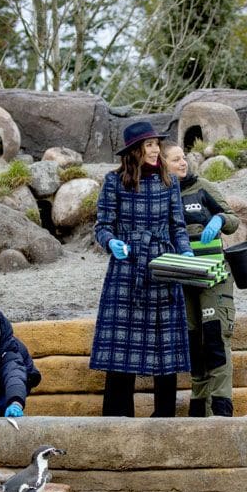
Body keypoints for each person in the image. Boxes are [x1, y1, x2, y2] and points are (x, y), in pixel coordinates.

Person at [90, 121, 194, 417]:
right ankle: (117, 419)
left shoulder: (169, 181)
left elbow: (178, 226)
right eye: (148, 145)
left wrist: (184, 252)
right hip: (126, 270)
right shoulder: (113, 181)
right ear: (134, 151)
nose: (154, 150)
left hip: (162, 266)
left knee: (166, 347)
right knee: (120, 349)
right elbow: (102, 226)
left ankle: (164, 418)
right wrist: (111, 243)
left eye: (156, 145)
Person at [162, 142, 240, 417]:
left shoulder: (203, 187)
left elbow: (233, 219)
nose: (183, 163)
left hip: (214, 276)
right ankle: (198, 411)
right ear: (163, 164)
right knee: (193, 344)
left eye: (183, 158)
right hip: (183, 278)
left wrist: (218, 219)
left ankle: (220, 411)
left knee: (215, 340)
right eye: (175, 160)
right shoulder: (161, 195)